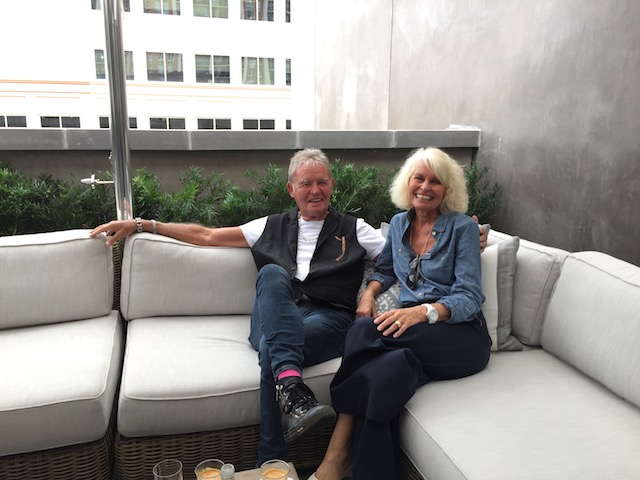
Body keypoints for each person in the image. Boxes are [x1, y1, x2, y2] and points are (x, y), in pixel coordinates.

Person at [89, 148, 387, 465]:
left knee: (274, 349)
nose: (315, 191)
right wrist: (142, 225)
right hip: (275, 313)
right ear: (291, 189)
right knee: (272, 274)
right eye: (306, 184)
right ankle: (290, 397)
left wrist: (370, 292)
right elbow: (206, 235)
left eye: (322, 182)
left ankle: (273, 451)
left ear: (332, 184)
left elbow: (396, 261)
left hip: (328, 317)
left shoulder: (356, 229)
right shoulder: (270, 226)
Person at [309, 147, 493, 480]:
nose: (425, 186)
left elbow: (469, 297)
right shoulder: (398, 224)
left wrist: (423, 312)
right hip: (413, 334)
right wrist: (368, 294)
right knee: (388, 371)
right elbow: (385, 270)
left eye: (435, 181)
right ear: (407, 183)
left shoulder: (462, 229)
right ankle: (361, 469)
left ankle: (335, 455)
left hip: (460, 335)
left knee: (362, 333)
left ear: (447, 189)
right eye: (418, 178)